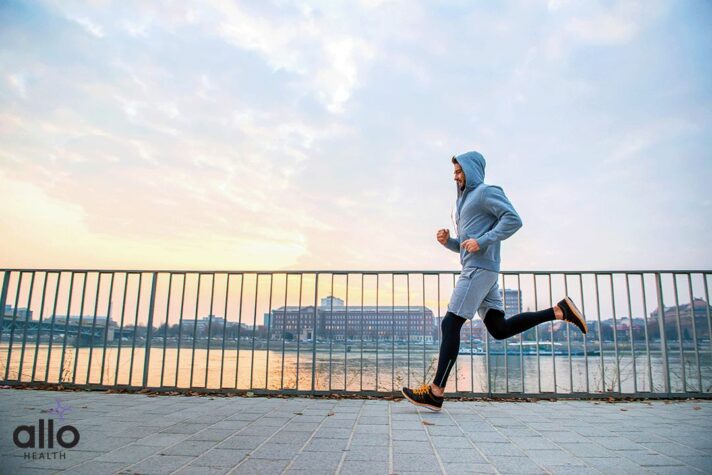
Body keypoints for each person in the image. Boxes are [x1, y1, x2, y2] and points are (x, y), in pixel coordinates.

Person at [401, 151, 587, 411]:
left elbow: (513, 219)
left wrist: (483, 240)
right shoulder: (463, 203)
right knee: (499, 329)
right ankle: (559, 311)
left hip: (478, 270)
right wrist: (449, 243)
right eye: (454, 172)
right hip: (481, 269)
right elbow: (468, 247)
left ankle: (435, 392)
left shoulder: (486, 192)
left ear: (471, 169)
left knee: (450, 323)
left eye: (458, 171)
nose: (454, 177)